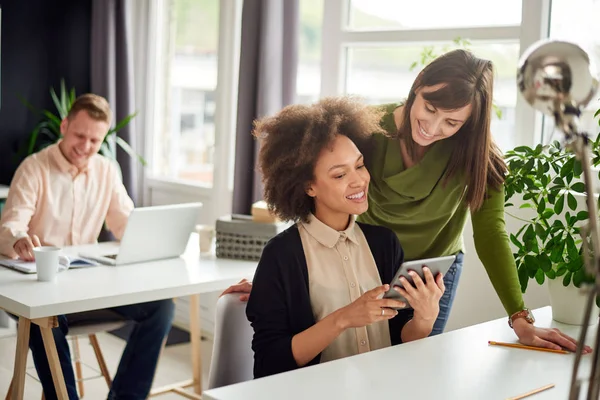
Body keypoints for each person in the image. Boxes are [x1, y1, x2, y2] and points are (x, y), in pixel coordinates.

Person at [222, 49, 592, 354]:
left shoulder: (478, 155)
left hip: (432, 272)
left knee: (412, 361)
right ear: (418, 88)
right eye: (430, 108)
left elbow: (492, 233)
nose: (433, 127)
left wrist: (519, 317)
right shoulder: (367, 128)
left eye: (452, 122)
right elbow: (317, 190)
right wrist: (282, 283)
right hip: (363, 262)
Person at [244, 97, 445, 378]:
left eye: (360, 165)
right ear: (308, 187)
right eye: (339, 175)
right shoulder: (282, 254)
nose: (359, 180)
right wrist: (343, 319)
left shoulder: (384, 243)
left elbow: (401, 340)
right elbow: (270, 362)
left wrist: (425, 316)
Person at [0, 94, 175, 400]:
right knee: (46, 322)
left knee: (162, 307)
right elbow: (10, 225)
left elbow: (126, 226)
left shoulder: (106, 170)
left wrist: (154, 239)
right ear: (64, 126)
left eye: (95, 140)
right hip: (43, 291)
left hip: (88, 287)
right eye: (80, 135)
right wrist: (19, 238)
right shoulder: (34, 168)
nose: (85, 146)